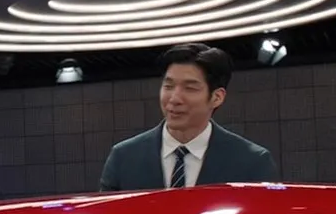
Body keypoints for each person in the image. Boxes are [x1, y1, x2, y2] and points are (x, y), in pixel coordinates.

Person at [98, 43, 278, 191]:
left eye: (190, 88)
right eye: (168, 86)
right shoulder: (124, 157)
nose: (174, 99)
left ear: (217, 97)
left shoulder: (252, 162)